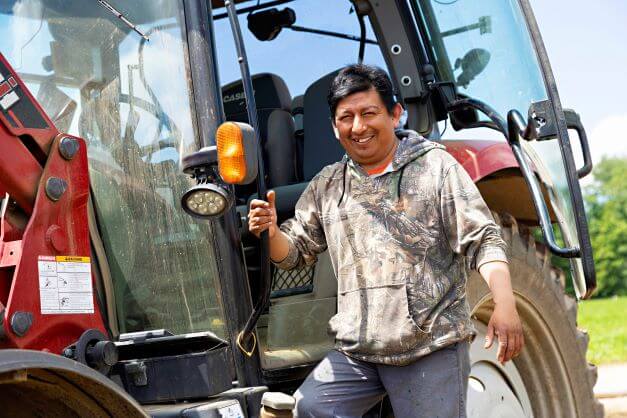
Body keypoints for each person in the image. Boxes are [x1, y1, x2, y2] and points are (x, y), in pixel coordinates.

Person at [248, 64, 524, 418]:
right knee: (311, 407)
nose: (358, 127)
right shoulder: (328, 185)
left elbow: (482, 238)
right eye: (346, 117)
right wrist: (271, 232)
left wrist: (505, 303)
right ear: (334, 127)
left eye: (368, 113)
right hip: (359, 352)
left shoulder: (435, 167)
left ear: (395, 114)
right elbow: (295, 252)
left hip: (428, 346)